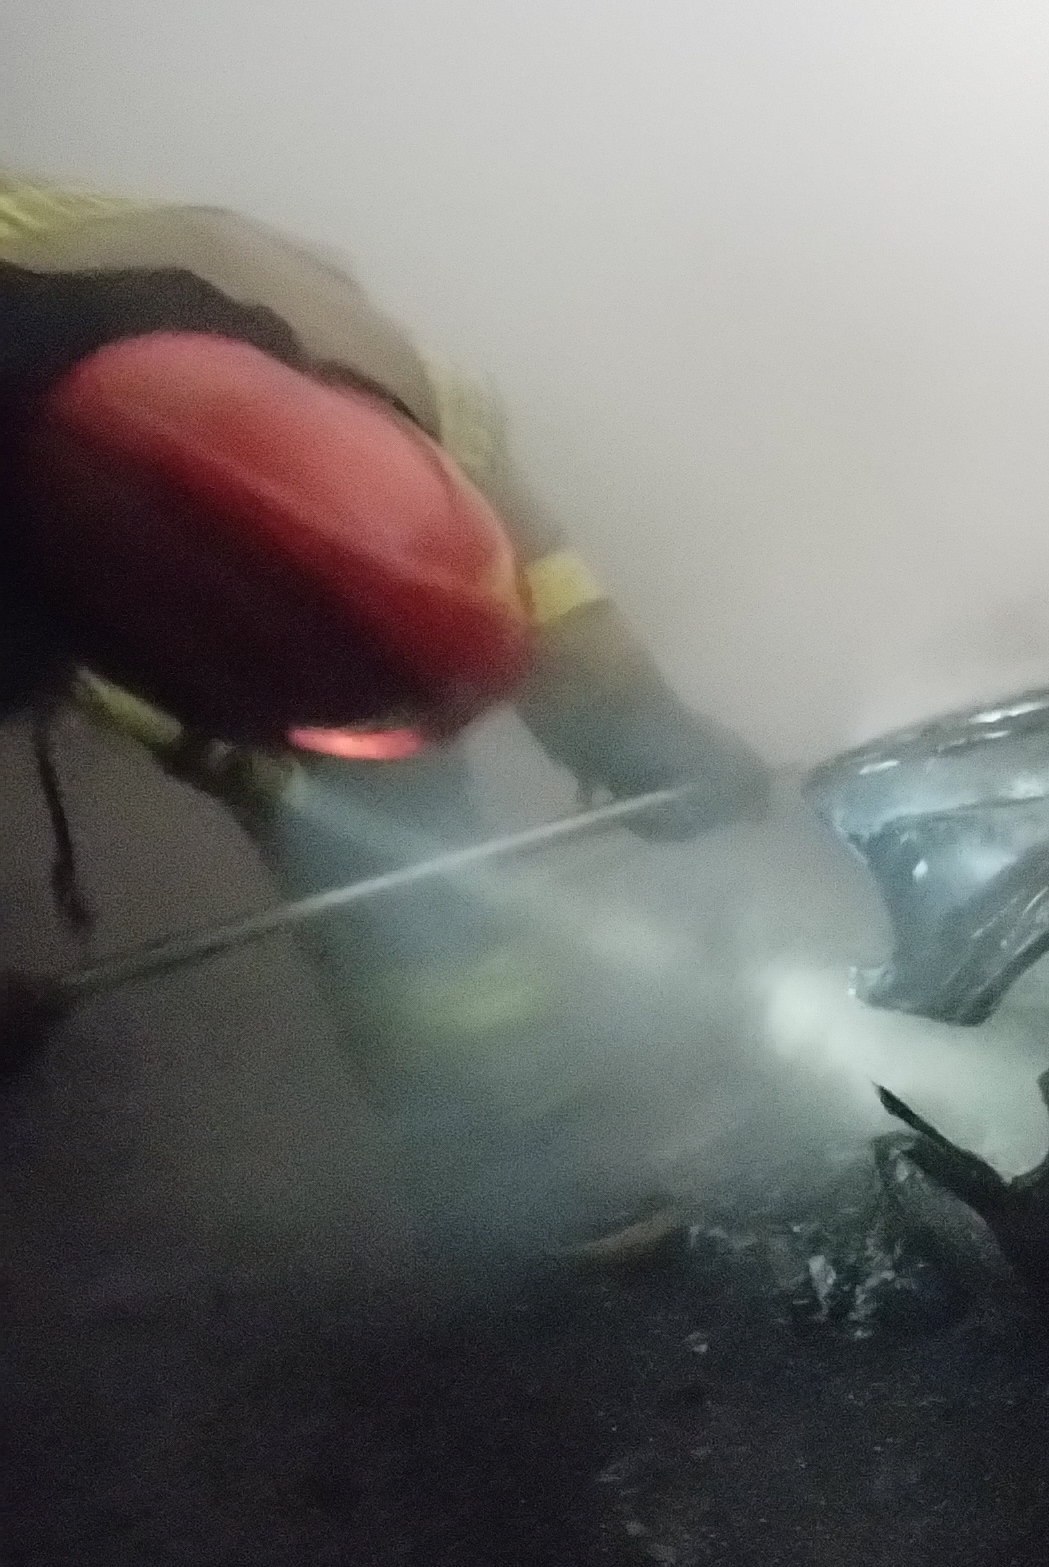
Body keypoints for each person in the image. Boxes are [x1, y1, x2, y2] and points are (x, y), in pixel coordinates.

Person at [0, 176, 765, 1234]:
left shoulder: (385, 385)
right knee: (359, 825)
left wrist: (641, 730)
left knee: (377, 821)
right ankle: (496, 1142)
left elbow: (550, 604)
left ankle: (504, 1149)